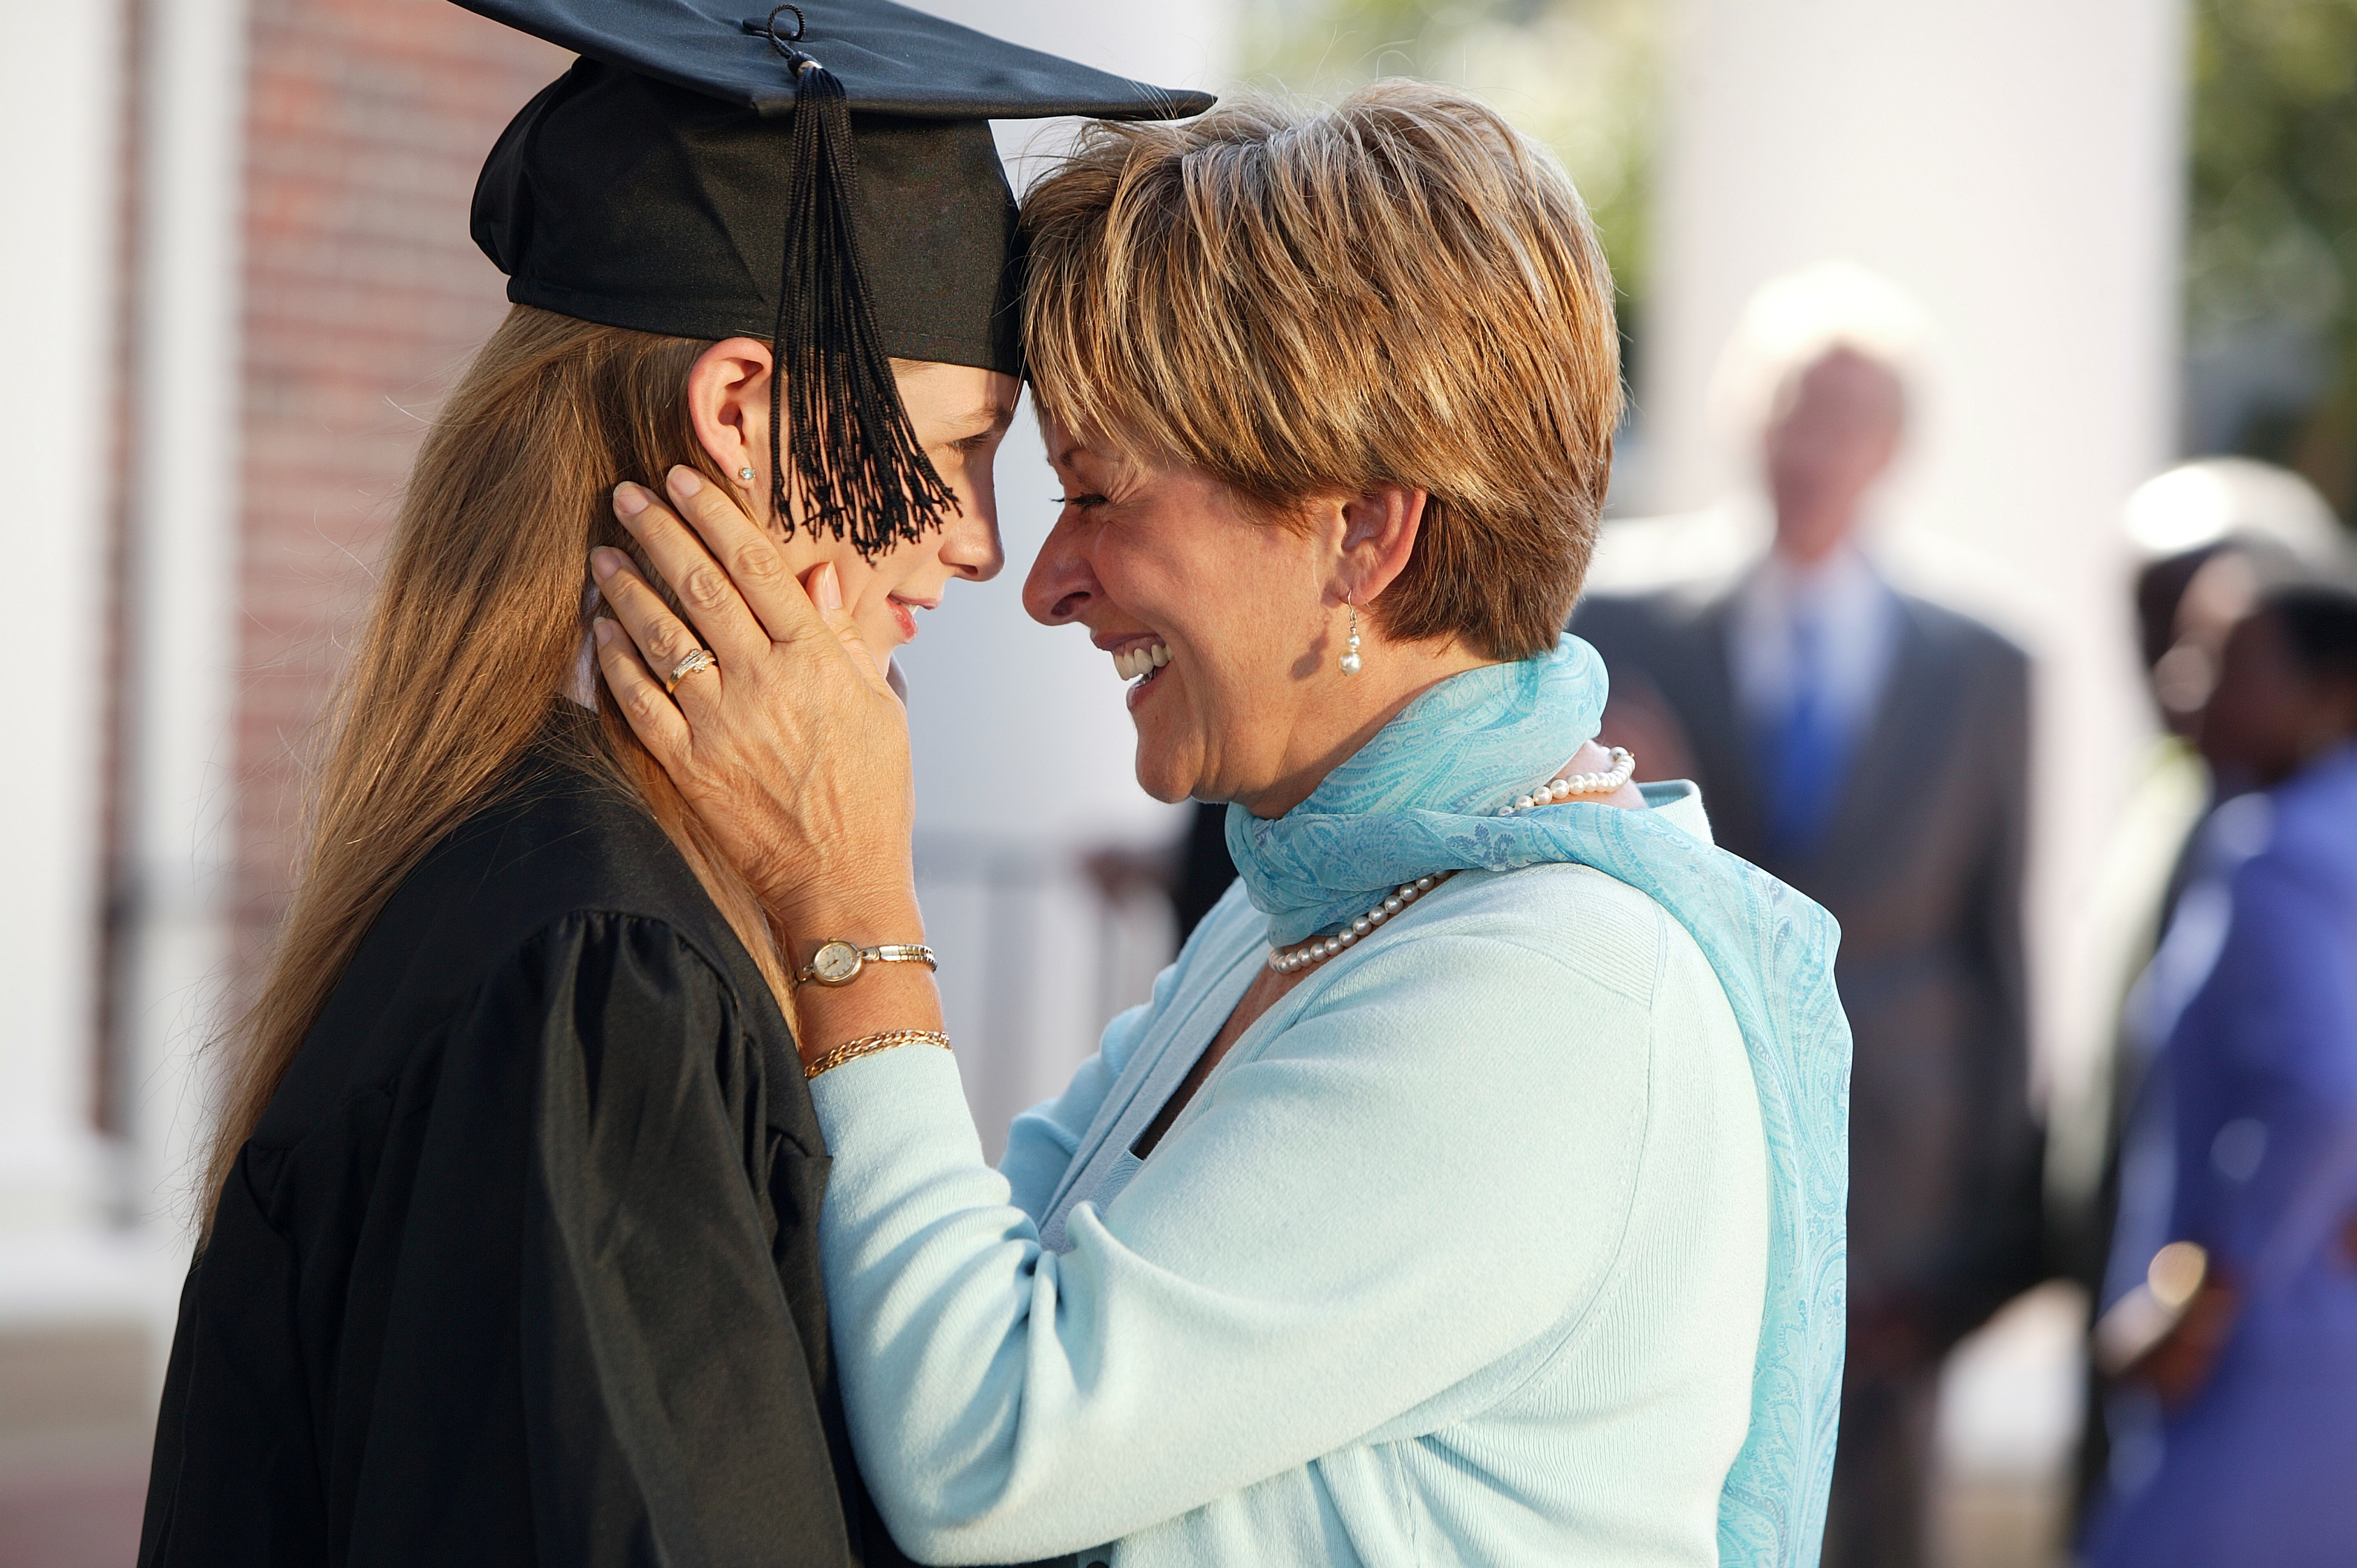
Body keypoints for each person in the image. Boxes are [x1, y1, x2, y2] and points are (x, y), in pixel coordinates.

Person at [591, 85, 1850, 1568]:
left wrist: (844, 881)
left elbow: (982, 1443)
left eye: (1097, 493)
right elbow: (939, 1300)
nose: (1042, 577)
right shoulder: (1313, 906)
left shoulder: (1551, 993)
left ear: (1364, 534)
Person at [135, 4, 1205, 1563]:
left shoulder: (537, 874)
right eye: (966, 446)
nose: (982, 541)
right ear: (737, 406)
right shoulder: (601, 975)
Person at [1571, 264, 2041, 1568]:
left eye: (1846, 418)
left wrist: (1993, 1231)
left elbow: (1995, 946)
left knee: (1876, 1510)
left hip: (1899, 1183)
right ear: (1746, 420)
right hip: (1686, 1121)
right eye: (1791, 409)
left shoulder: (1989, 661)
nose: (1814, 446)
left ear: (1894, 446)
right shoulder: (1622, 614)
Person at [2086, 584, 2357, 1567]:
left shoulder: (2276, 854)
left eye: (2229, 663)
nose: (2182, 681)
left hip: (2263, 1370)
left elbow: (2324, 1097)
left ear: (2333, 695)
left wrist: (2197, 1301)